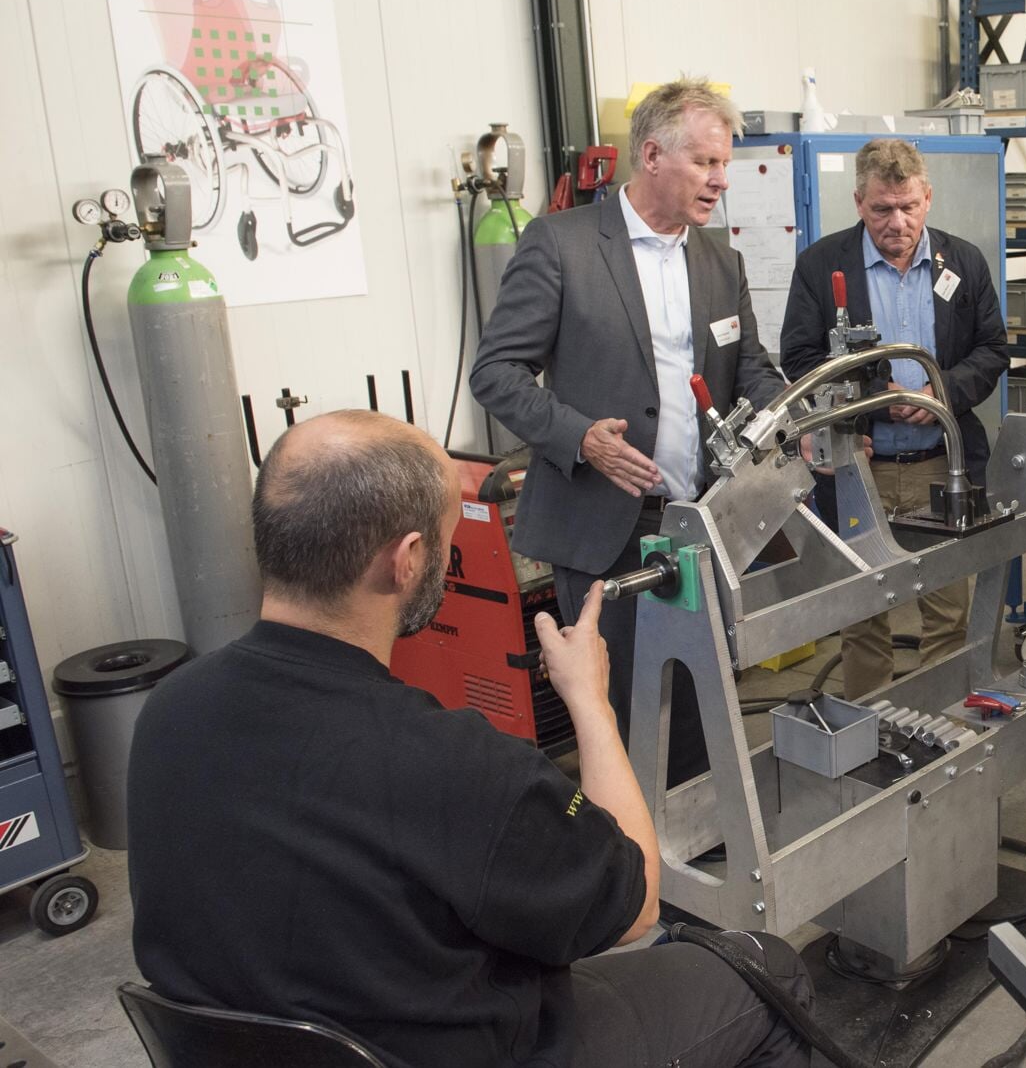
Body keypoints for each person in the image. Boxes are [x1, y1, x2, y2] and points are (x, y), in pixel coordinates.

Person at [126, 410, 812, 1068]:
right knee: (769, 973)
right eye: (448, 538)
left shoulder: (168, 712)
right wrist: (590, 701)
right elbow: (633, 909)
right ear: (407, 561)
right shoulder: (455, 765)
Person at [472, 79, 786, 786]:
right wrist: (580, 437)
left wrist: (786, 417)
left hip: (698, 526)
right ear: (651, 154)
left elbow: (750, 368)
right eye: (705, 162)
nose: (720, 179)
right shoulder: (562, 244)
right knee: (619, 713)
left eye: (724, 163)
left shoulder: (717, 260)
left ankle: (702, 860)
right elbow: (495, 373)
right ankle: (628, 870)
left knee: (703, 700)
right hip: (601, 530)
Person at [780, 139, 1009, 694]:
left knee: (949, 607)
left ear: (928, 198)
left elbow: (992, 349)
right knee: (862, 612)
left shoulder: (965, 262)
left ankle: (945, 718)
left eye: (908, 206)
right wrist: (877, 395)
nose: (897, 222)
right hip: (862, 468)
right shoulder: (820, 265)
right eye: (882, 209)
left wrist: (942, 390)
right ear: (859, 202)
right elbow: (800, 356)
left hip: (942, 465)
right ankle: (870, 729)